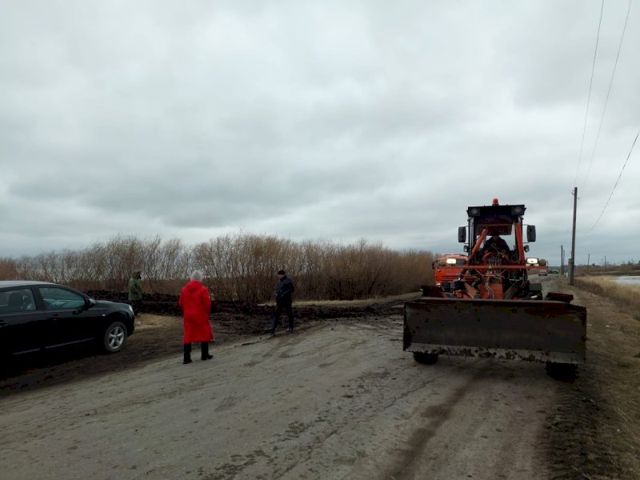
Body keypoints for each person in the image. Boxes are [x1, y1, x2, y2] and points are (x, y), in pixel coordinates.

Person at [178, 270, 214, 364]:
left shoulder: (184, 290)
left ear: (191, 278)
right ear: (200, 279)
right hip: (200, 315)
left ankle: (186, 358)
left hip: (188, 316)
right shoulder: (203, 289)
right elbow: (207, 304)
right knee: (204, 333)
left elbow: (180, 303)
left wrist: (186, 311)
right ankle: (204, 355)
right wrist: (207, 313)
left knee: (188, 335)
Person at [269, 269, 295, 335]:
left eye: (279, 275)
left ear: (283, 275)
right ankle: (273, 329)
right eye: (278, 275)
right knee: (276, 314)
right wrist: (276, 293)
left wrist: (284, 294)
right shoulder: (279, 282)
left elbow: (292, 289)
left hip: (287, 300)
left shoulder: (288, 281)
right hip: (279, 301)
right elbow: (276, 289)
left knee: (289, 314)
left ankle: (291, 327)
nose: (278, 276)